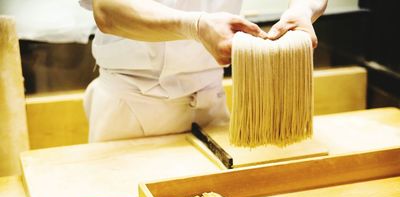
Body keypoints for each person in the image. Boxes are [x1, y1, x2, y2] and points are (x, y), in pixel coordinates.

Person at [79, 0, 327, 142]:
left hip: (210, 105)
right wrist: (194, 26)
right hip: (130, 107)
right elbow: (107, 10)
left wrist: (303, 9)